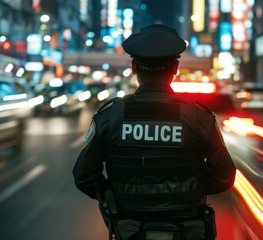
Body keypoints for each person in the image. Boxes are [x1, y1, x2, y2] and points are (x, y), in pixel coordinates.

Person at [73, 24, 236, 240]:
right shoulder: (199, 118)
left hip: (130, 230)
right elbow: (224, 176)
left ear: (133, 66)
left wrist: (115, 196)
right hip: (187, 230)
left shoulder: (110, 117)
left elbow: (84, 176)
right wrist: (190, 191)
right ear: (175, 67)